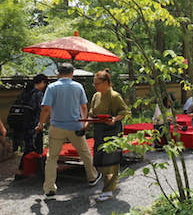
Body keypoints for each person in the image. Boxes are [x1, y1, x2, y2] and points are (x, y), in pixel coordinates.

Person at [35, 63, 102, 201]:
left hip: (57, 127)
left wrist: (41, 124)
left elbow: (46, 108)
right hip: (75, 126)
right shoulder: (78, 86)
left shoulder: (52, 87)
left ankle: (49, 188)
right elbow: (83, 106)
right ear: (72, 73)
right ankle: (92, 177)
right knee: (84, 153)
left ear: (58, 73)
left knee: (52, 158)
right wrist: (83, 123)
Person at [88, 68, 131, 202]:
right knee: (100, 159)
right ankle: (109, 184)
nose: (95, 86)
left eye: (97, 83)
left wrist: (114, 119)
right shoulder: (96, 96)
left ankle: (108, 190)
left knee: (111, 161)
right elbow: (91, 111)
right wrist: (88, 121)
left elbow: (125, 112)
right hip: (99, 131)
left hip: (112, 132)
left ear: (106, 82)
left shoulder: (115, 96)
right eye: (94, 84)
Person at [14, 74, 48, 180]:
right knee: (33, 148)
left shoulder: (24, 92)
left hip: (22, 124)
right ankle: (23, 172)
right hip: (34, 125)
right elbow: (42, 109)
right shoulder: (38, 94)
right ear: (42, 82)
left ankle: (32, 170)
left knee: (30, 148)